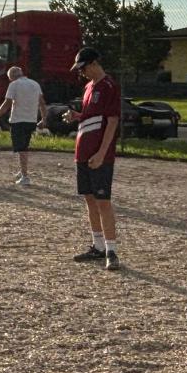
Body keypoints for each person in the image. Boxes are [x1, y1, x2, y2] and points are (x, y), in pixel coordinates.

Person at [65, 47, 122, 271]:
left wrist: (101, 153)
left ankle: (111, 250)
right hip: (82, 151)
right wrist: (76, 116)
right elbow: (92, 117)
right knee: (89, 200)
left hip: (100, 155)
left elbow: (112, 121)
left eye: (84, 68)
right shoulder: (88, 87)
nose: (82, 73)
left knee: (103, 202)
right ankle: (97, 246)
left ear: (94, 63)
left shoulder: (109, 86)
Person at [0, 65, 45, 185]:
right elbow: (42, 103)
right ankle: (22, 170)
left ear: (12, 77)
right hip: (31, 120)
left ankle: (25, 176)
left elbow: (7, 102)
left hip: (18, 120)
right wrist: (44, 119)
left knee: (22, 148)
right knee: (23, 147)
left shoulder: (14, 85)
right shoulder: (35, 84)